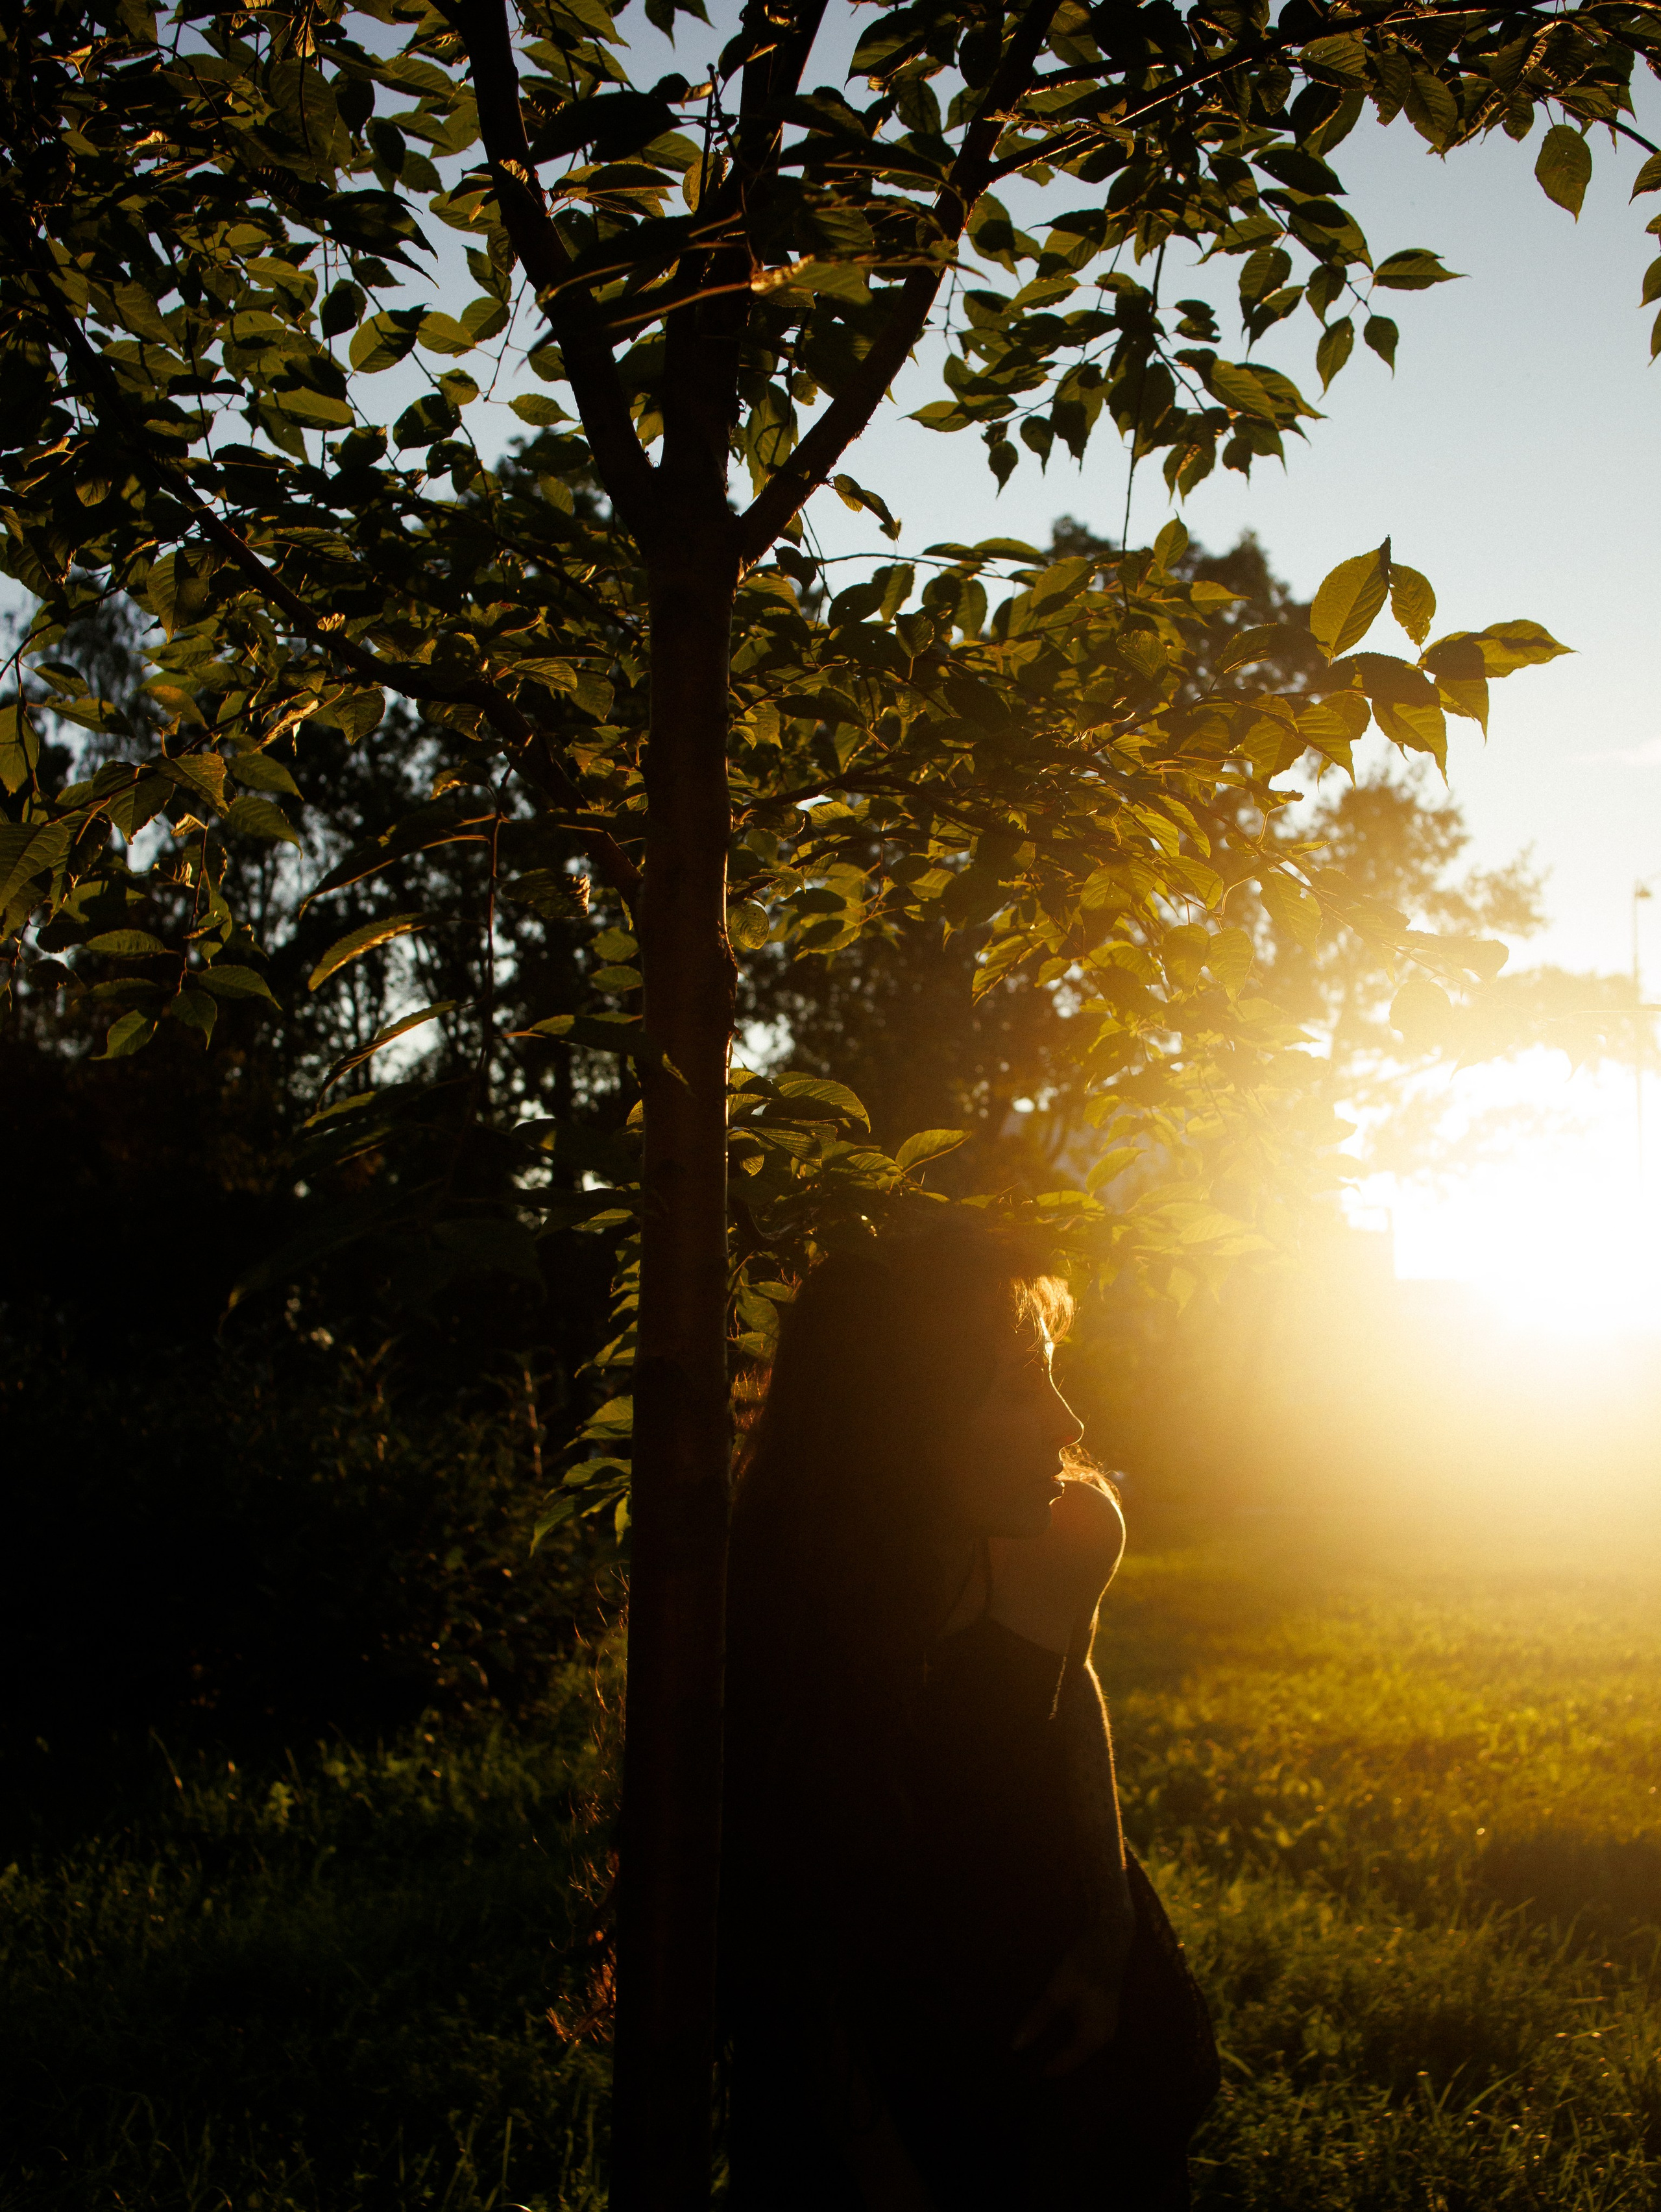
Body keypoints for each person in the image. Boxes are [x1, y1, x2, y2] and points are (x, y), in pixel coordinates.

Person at [721, 1224, 1217, 2209]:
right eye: (1019, 1387)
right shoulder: (786, 1589)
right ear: (907, 1419)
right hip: (890, 2015)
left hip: (1062, 1991)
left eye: (1052, 1374)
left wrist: (1111, 1920)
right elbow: (783, 1918)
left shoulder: (1072, 1532)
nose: (1067, 1422)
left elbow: (1070, 1686)